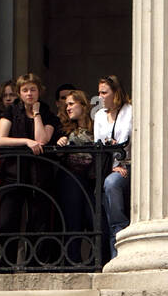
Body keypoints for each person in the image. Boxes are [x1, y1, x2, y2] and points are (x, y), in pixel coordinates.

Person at [0, 72, 58, 268]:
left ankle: (34, 266)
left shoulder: (46, 112)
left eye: (33, 89)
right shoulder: (11, 112)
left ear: (39, 91)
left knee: (38, 221)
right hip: (14, 173)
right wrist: (25, 142)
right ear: (19, 93)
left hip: (39, 175)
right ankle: (4, 267)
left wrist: (37, 113)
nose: (29, 93)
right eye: (25, 90)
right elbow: (0, 140)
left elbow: (43, 139)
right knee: (8, 220)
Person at [55, 89, 97, 266]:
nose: (68, 108)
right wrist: (60, 143)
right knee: (73, 220)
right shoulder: (64, 128)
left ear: (83, 104)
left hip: (92, 180)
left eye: (71, 104)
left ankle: (98, 259)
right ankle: (73, 262)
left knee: (93, 218)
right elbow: (56, 155)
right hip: (71, 179)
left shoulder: (97, 124)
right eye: (66, 105)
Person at [93, 75, 133, 260]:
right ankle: (114, 252)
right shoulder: (100, 116)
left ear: (115, 93)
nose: (100, 96)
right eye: (99, 92)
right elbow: (97, 146)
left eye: (104, 92)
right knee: (109, 184)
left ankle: (121, 231)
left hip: (130, 165)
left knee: (111, 184)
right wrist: (111, 166)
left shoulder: (130, 111)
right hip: (109, 168)